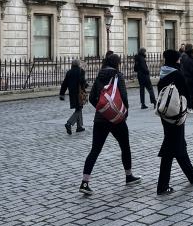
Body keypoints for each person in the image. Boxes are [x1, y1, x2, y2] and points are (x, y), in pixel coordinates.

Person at [79, 54, 140, 195]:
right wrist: (123, 113)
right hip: (116, 119)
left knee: (95, 150)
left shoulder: (100, 75)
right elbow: (123, 97)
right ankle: (128, 175)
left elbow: (92, 97)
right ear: (117, 63)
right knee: (125, 146)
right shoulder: (118, 76)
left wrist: (102, 109)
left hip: (101, 118)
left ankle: (84, 182)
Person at [156, 49, 193, 195]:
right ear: (176, 60)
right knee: (171, 148)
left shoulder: (163, 73)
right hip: (176, 115)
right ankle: (162, 186)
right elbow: (186, 94)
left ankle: (191, 174)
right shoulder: (177, 74)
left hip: (165, 115)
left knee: (178, 144)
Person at [60, 59, 88, 135]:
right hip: (79, 93)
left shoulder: (69, 72)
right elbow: (82, 82)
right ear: (78, 64)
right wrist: (86, 85)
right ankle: (69, 123)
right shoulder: (81, 71)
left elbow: (64, 84)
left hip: (72, 93)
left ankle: (79, 127)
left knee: (78, 108)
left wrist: (61, 94)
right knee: (79, 108)